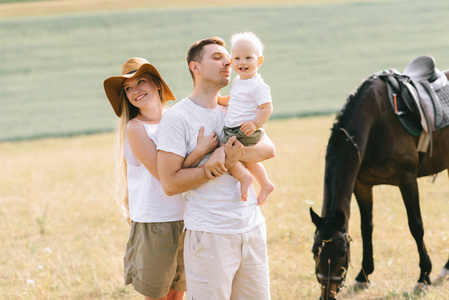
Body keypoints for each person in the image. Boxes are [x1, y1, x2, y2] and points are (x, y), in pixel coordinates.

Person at [157, 37, 275, 299]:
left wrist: (223, 154)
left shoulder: (237, 106)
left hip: (252, 227)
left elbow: (269, 150)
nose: (228, 62)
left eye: (227, 57)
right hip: (211, 235)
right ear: (195, 67)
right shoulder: (177, 118)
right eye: (216, 57)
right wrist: (216, 166)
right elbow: (170, 183)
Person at [103, 57, 217, 300]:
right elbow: (166, 178)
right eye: (128, 88)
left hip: (187, 217)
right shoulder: (136, 128)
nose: (135, 91)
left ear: (156, 84)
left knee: (177, 293)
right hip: (156, 221)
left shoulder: (176, 118)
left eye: (140, 82)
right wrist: (198, 152)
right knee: (157, 295)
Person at [218, 31, 274, 204]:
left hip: (245, 129)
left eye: (248, 58)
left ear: (259, 61)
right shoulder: (238, 81)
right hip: (235, 128)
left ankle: (245, 178)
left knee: (227, 152)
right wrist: (220, 100)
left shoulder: (258, 85)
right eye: (237, 58)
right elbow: (235, 98)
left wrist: (255, 123)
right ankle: (265, 184)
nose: (242, 62)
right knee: (247, 159)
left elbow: (267, 108)